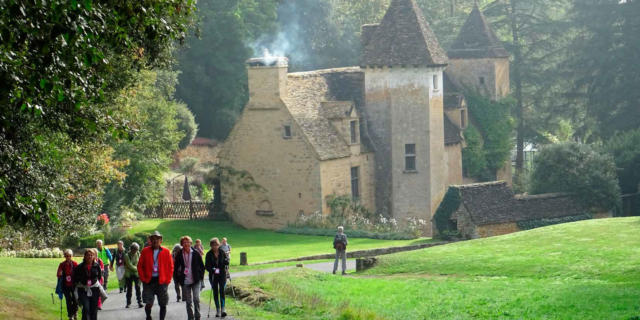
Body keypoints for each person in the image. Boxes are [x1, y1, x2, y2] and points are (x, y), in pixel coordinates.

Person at [138, 231, 173, 320]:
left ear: (161, 240)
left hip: (161, 281)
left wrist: (168, 280)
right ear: (150, 241)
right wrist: (143, 279)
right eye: (153, 239)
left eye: (157, 239)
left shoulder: (166, 251)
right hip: (148, 281)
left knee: (163, 303)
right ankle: (148, 316)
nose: (155, 241)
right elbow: (140, 266)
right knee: (149, 303)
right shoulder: (145, 251)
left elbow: (170, 266)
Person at [174, 236, 205, 320]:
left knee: (196, 299)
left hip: (196, 280)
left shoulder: (195, 253)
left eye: (188, 242)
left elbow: (202, 266)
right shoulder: (179, 254)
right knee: (188, 302)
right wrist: (178, 280)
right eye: (184, 242)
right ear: (182, 244)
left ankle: (197, 316)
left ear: (191, 243)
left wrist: (201, 277)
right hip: (185, 281)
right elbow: (176, 268)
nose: (186, 244)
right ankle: (190, 318)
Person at [74, 249, 102, 320]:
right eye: (88, 255)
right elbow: (76, 278)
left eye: (91, 255)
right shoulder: (80, 267)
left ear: (93, 256)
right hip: (83, 290)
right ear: (85, 256)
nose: (89, 257)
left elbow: (99, 277)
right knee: (86, 308)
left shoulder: (97, 266)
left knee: (94, 309)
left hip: (94, 290)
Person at [205, 238, 229, 318]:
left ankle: (223, 309)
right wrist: (213, 269)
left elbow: (226, 262)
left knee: (222, 290)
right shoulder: (209, 254)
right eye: (213, 245)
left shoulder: (222, 252)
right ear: (211, 246)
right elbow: (207, 266)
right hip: (213, 275)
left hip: (222, 274)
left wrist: (227, 261)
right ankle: (218, 310)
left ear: (219, 245)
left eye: (216, 245)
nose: (215, 247)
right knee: (215, 292)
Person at [57, 249, 78, 320]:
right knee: (68, 300)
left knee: (75, 299)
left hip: (74, 285)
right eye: (66, 256)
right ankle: (70, 315)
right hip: (65, 285)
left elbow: (79, 273)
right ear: (65, 256)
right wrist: (60, 274)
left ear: (72, 256)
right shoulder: (62, 264)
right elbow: (58, 274)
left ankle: (75, 312)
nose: (68, 257)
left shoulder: (75, 264)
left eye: (69, 256)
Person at [124, 242, 143, 308]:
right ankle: (128, 303)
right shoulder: (126, 255)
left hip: (136, 274)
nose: (135, 251)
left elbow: (140, 262)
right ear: (131, 249)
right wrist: (138, 269)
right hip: (129, 274)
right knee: (129, 289)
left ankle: (140, 302)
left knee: (138, 288)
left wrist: (139, 269)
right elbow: (129, 265)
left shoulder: (138, 253)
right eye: (134, 249)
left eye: (137, 249)